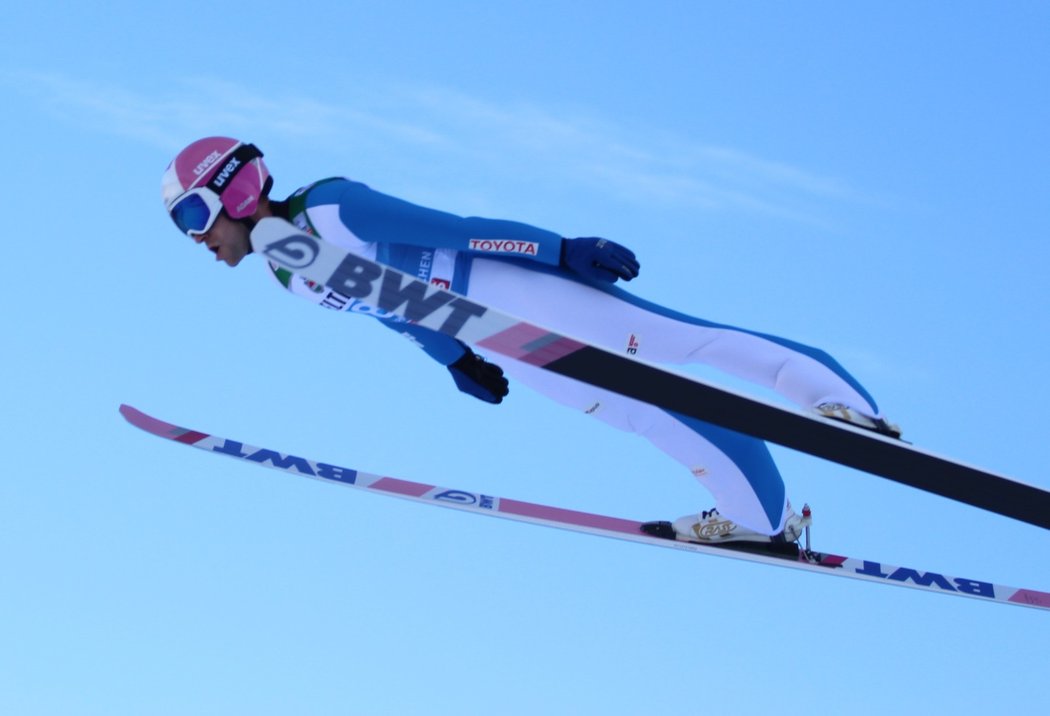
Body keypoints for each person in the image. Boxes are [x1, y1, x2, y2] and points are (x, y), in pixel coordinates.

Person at [161, 136, 899, 546]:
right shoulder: (291, 274)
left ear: (232, 189)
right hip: (498, 336)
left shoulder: (329, 208)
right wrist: (456, 359)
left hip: (521, 291)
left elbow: (451, 229)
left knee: (678, 343)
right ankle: (758, 519)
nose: (197, 238)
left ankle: (839, 401)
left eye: (195, 215)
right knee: (641, 414)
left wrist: (558, 250)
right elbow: (388, 309)